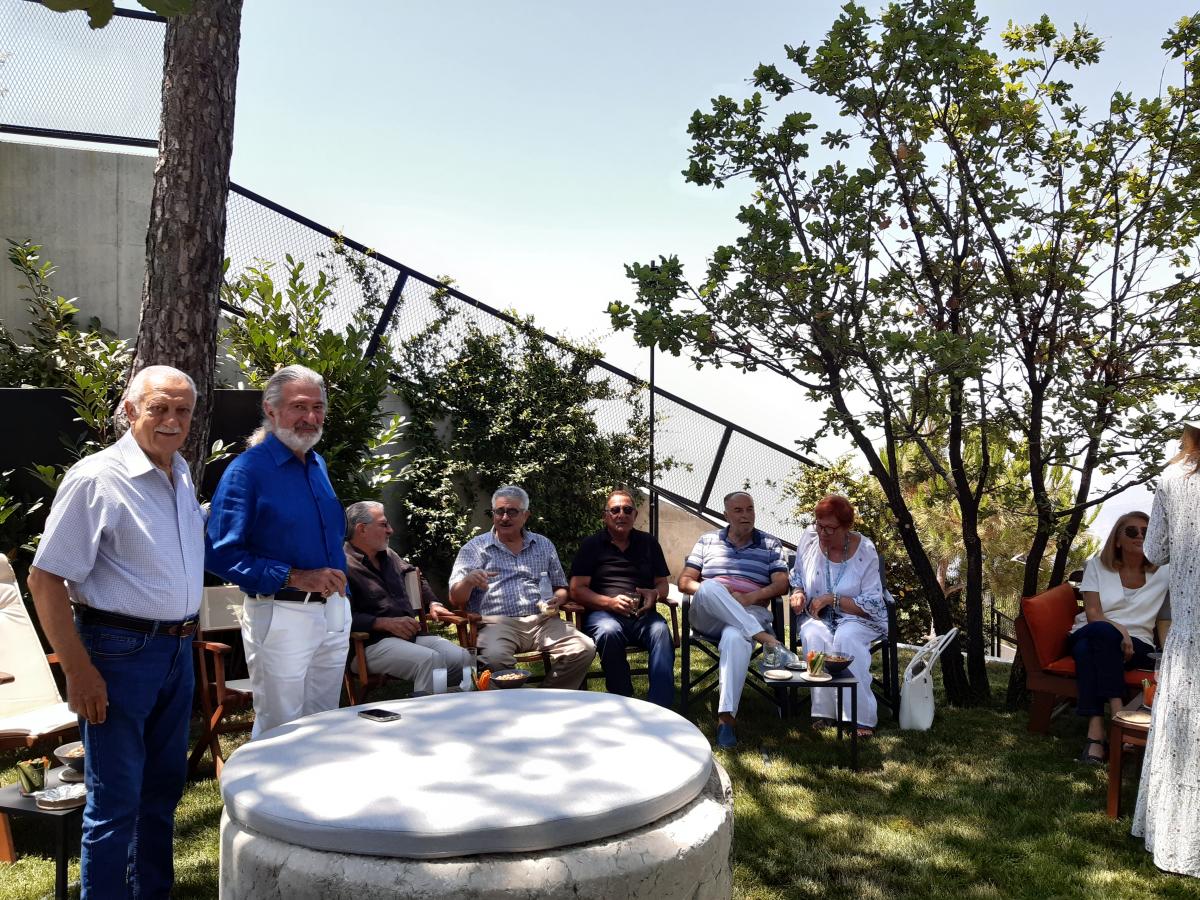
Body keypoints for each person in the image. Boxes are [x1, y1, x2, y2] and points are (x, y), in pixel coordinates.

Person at [27, 365, 204, 898]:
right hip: (119, 654)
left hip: (177, 650)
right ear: (130, 411)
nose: (172, 420)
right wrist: (80, 673)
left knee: (163, 792)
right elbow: (44, 579)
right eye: (159, 408)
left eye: (183, 410)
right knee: (116, 802)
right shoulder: (96, 478)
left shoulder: (180, 471)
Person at [206, 365, 349, 738]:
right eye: (299, 407)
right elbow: (220, 552)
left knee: (326, 723)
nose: (310, 417)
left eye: (318, 408)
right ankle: (259, 798)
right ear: (271, 411)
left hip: (334, 611)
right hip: (283, 612)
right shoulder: (247, 471)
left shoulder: (317, 464)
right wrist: (295, 576)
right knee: (280, 729)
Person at [1133, 421, 1200, 878]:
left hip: (1192, 627)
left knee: (1185, 735)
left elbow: (1154, 549)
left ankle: (1179, 837)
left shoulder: (1174, 479)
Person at [449, 485, 595, 688]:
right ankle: (521, 702)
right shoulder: (475, 548)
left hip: (543, 621)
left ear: (526, 515)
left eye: (512, 511)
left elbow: (561, 586)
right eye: (499, 511)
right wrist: (467, 581)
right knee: (495, 658)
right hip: (498, 624)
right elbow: (456, 599)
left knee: (584, 647)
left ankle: (548, 695)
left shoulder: (543, 545)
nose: (504, 517)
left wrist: (558, 599)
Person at [678, 491, 792, 748]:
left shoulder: (770, 544)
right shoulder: (708, 541)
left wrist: (750, 598)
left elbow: (782, 584)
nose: (745, 515)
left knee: (734, 636)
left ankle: (726, 720)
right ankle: (766, 640)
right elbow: (684, 582)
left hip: (750, 611)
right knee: (709, 588)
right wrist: (723, 595)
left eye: (749, 509)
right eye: (738, 511)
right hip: (708, 614)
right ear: (726, 515)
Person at [1069, 511, 1170, 763]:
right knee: (1102, 634)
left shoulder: (1165, 573)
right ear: (1117, 540)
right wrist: (1121, 630)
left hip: (1136, 646)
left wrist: (1169, 657)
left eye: (1146, 532)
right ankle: (1118, 712)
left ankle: (1096, 733)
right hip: (1093, 630)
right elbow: (1093, 614)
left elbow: (1165, 619)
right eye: (1132, 531)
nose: (1140, 536)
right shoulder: (1097, 566)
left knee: (1086, 651)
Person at [344, 500, 474, 691]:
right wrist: (382, 623)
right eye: (383, 524)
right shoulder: (342, 565)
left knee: (462, 658)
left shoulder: (388, 555)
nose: (390, 530)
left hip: (409, 638)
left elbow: (415, 576)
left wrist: (433, 603)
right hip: (368, 645)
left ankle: (454, 707)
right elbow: (340, 619)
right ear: (362, 529)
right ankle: (426, 716)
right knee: (430, 660)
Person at [788, 494, 888, 738]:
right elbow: (798, 574)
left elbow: (873, 601)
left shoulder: (865, 549)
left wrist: (833, 599)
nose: (823, 533)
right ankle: (824, 712)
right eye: (819, 525)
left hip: (858, 616)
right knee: (813, 634)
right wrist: (798, 592)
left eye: (830, 529)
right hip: (818, 616)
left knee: (847, 638)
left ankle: (860, 717)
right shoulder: (810, 539)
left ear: (846, 527)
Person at [569, 489, 674, 707]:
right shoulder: (592, 545)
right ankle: (624, 700)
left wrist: (654, 594)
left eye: (627, 510)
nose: (621, 514)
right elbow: (577, 589)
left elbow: (662, 583)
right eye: (615, 510)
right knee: (609, 632)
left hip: (643, 616)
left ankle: (660, 706)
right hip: (603, 614)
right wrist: (610, 603)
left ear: (635, 515)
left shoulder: (648, 543)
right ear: (605, 515)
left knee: (661, 632)